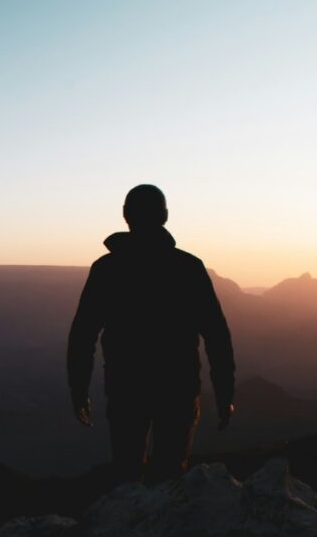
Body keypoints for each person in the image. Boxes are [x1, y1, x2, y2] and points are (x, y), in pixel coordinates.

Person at [67, 184, 235, 483]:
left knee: (127, 474)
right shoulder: (189, 268)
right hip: (178, 387)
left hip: (125, 386)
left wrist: (78, 388)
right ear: (166, 216)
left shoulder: (106, 269)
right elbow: (216, 335)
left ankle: (125, 527)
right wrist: (225, 391)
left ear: (125, 216)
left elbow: (84, 334)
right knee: (171, 476)